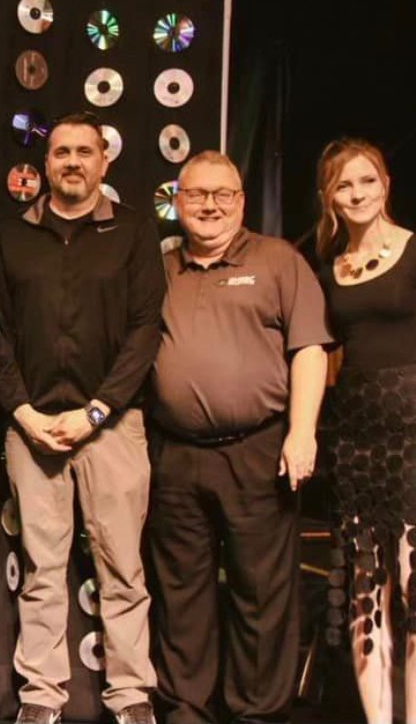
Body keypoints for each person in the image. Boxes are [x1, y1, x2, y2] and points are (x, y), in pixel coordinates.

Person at [0, 111, 165, 724]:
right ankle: (41, 697)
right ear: (44, 165)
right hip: (32, 428)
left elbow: (145, 332)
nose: (72, 163)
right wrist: (24, 412)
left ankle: (131, 694)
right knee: (42, 571)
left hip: (111, 426)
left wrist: (96, 410)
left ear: (103, 162)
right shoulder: (10, 238)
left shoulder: (135, 235)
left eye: (84, 152)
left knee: (123, 568)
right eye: (61, 152)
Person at [148, 150, 331, 724]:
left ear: (241, 201)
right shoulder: (156, 265)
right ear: (177, 202)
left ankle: (256, 712)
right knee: (181, 592)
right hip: (174, 452)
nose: (209, 205)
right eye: (197, 194)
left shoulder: (278, 260)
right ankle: (186, 709)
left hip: (259, 448)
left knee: (261, 592)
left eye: (222, 194)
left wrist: (302, 434)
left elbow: (309, 351)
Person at [315, 138, 416, 724]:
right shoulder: (328, 270)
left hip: (412, 436)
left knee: (412, 585)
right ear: (328, 196)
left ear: (385, 184)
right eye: (344, 185)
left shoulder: (414, 250)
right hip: (356, 439)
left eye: (367, 181)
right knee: (364, 592)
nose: (357, 194)